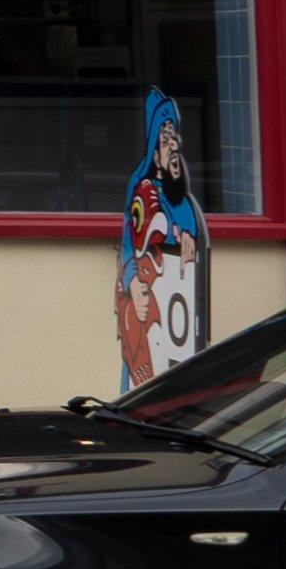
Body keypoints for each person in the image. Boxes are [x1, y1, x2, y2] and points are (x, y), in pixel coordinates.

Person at [114, 94, 212, 388]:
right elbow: (134, 240)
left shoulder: (177, 193)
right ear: (154, 150)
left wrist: (187, 236)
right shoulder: (141, 187)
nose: (174, 146)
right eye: (167, 138)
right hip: (143, 303)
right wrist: (133, 283)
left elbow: (184, 223)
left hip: (172, 314)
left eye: (175, 138)